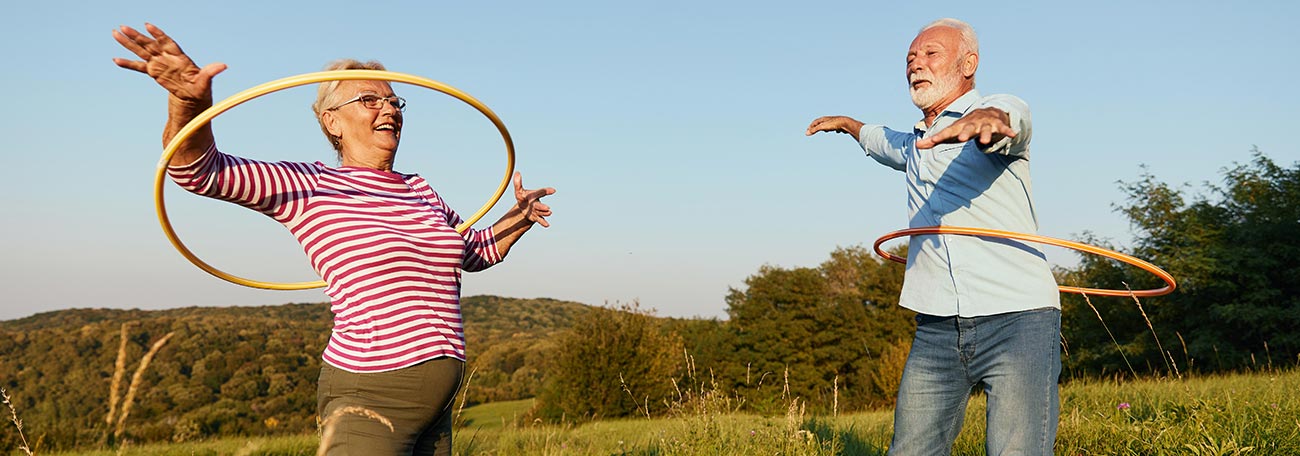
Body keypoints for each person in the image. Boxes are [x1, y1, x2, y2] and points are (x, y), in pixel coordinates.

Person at [112, 23, 555, 455]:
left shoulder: (419, 189)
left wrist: (518, 217)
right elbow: (197, 170)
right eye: (369, 99)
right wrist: (188, 104)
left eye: (393, 100)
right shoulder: (309, 185)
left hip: (435, 408)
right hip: (371, 395)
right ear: (332, 122)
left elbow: (473, 252)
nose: (390, 109)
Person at [806, 18, 1061, 456]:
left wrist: (989, 121)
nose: (915, 65)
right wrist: (848, 124)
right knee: (909, 451)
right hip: (937, 325)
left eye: (929, 55)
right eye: (910, 58)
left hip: (1018, 318)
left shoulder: (996, 114)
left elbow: (1011, 118)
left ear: (968, 63)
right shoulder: (914, 145)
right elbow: (880, 139)